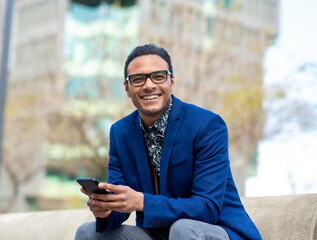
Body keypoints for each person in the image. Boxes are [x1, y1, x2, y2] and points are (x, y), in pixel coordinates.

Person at [75, 44, 262, 240]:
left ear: (171, 81)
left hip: (216, 230)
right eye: (138, 79)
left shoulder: (207, 125)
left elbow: (207, 208)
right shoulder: (120, 132)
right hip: (157, 234)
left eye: (158, 76)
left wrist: (142, 202)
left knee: (183, 230)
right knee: (87, 233)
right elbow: (122, 203)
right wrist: (106, 210)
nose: (149, 85)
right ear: (127, 88)